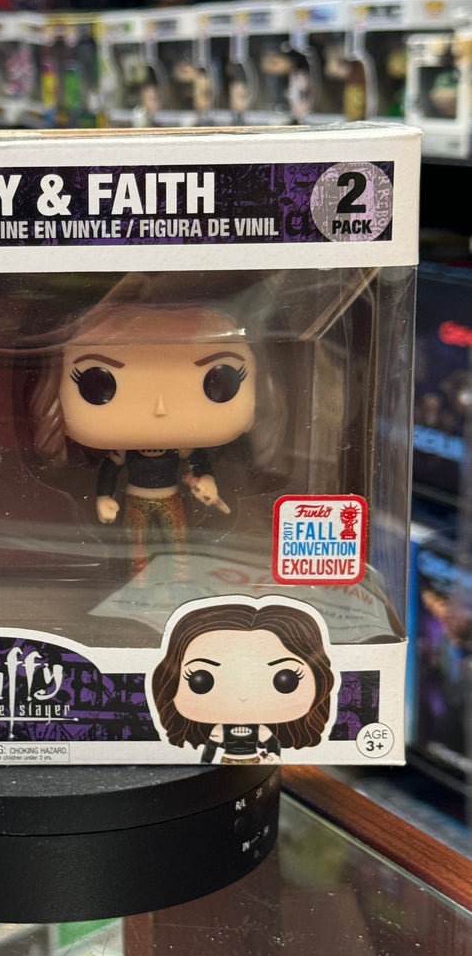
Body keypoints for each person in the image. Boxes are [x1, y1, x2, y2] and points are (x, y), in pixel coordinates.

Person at [32, 284, 274, 578]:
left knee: (178, 538)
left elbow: (198, 462)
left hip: (170, 496)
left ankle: (181, 574)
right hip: (136, 498)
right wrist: (104, 496)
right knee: (137, 544)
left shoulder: (182, 447)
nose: (160, 408)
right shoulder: (125, 449)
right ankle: (140, 578)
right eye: (97, 384)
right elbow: (110, 469)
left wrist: (207, 479)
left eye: (219, 380)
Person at [148, 597, 335, 762]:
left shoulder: (260, 731)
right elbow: (210, 750)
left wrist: (271, 757)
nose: (243, 696)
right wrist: (205, 763)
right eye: (201, 680)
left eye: (286, 680)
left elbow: (273, 745)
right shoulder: (219, 731)